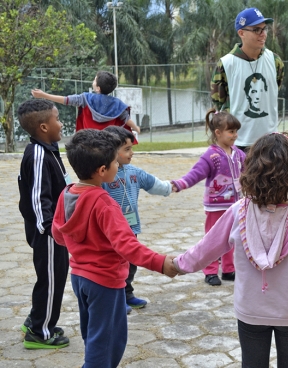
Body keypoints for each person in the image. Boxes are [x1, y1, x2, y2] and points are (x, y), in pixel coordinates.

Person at [173, 132, 288, 368]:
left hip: (251, 309)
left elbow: (205, 249)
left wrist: (175, 265)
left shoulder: (238, 212)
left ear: (250, 171)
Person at [51, 129, 178, 367]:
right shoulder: (104, 203)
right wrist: (160, 262)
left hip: (79, 278)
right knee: (108, 340)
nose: (118, 167)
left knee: (93, 333)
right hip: (104, 282)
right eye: (114, 163)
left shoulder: (67, 194)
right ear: (102, 171)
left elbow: (58, 234)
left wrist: (82, 245)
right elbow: (127, 245)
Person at [101, 126, 173, 312]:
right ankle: (116, 300)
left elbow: (153, 184)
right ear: (110, 150)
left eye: (131, 148)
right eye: (127, 149)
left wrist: (172, 187)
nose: (132, 153)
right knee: (114, 266)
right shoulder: (103, 175)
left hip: (130, 229)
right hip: (110, 232)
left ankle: (127, 293)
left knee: (130, 264)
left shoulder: (134, 172)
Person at [17, 99, 70, 349]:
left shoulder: (48, 148)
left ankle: (37, 319)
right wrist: (51, 230)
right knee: (51, 279)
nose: (60, 123)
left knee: (51, 277)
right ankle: (40, 332)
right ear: (43, 127)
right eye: (57, 119)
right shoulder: (38, 154)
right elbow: (39, 197)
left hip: (52, 230)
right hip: (48, 232)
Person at [171, 110, 246, 286]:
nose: (235, 135)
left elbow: (249, 171)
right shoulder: (211, 156)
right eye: (231, 131)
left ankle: (229, 269)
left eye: (236, 131)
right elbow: (196, 174)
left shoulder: (239, 154)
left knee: (231, 237)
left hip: (235, 206)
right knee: (213, 239)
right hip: (216, 206)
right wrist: (180, 184)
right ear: (218, 133)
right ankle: (210, 271)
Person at [210, 7, 284, 151]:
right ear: (241, 33)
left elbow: (274, 91)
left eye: (264, 29)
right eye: (257, 30)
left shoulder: (275, 61)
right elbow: (219, 103)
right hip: (239, 143)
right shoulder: (226, 64)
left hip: (271, 141)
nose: (263, 34)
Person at [31, 71, 140, 135]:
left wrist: (43, 95)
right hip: (108, 142)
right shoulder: (117, 104)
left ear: (97, 88)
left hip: (89, 140)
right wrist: (136, 128)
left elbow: (65, 100)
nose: (93, 81)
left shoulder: (85, 98)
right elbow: (127, 119)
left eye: (94, 80)